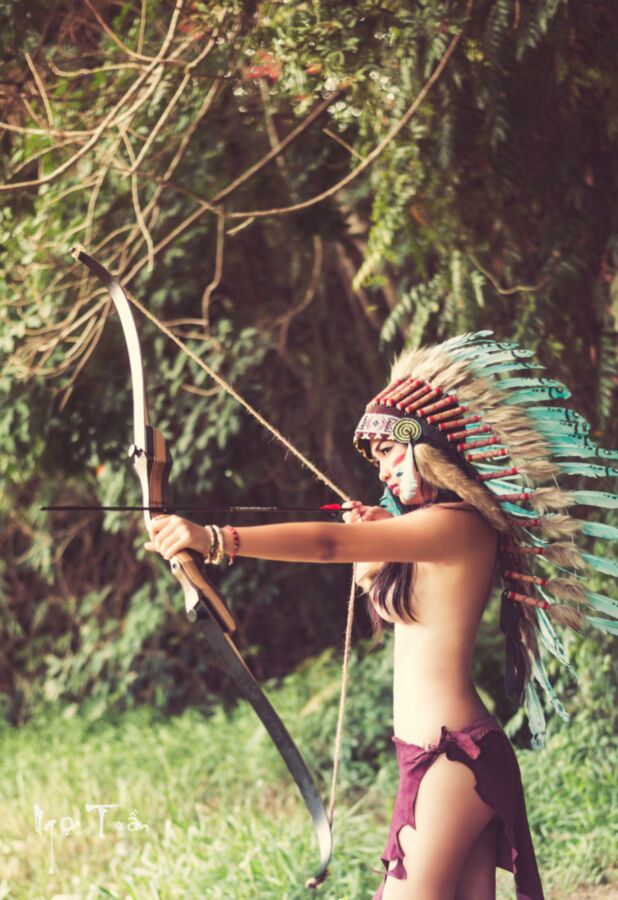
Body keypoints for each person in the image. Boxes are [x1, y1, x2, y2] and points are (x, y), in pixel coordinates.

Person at [146, 332, 617, 900]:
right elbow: (412, 614)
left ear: (427, 446)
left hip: (451, 756)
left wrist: (215, 539)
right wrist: (379, 551)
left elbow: (328, 545)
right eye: (377, 460)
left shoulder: (459, 524)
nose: (383, 472)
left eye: (390, 451)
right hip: (442, 756)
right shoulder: (432, 534)